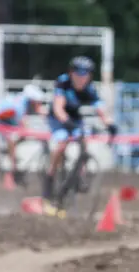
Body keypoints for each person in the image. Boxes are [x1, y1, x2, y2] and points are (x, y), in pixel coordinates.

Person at [45, 56, 117, 213]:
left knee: (83, 141)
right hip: (58, 117)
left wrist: (110, 124)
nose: (81, 78)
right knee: (63, 142)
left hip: (75, 117)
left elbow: (101, 110)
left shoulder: (90, 89)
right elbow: (58, 108)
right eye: (78, 74)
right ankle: (50, 174)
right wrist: (65, 122)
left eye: (85, 75)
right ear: (71, 73)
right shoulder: (63, 83)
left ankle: (80, 174)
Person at [0, 84, 47, 186]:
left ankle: (10, 166)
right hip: (0, 122)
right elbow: (21, 123)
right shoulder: (20, 105)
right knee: (11, 143)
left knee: (12, 143)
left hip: (3, 121)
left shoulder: (20, 101)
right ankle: (11, 171)